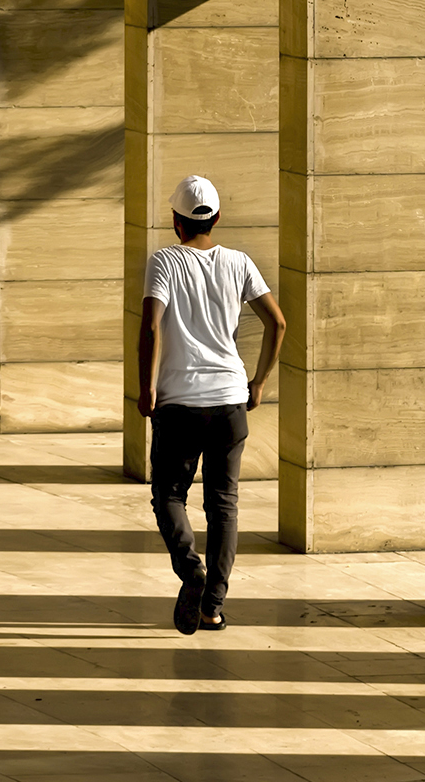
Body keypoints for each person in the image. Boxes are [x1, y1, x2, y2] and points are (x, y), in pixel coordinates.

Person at [137, 173, 285, 635]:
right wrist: (258, 381)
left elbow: (151, 327)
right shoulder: (239, 263)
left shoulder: (164, 262)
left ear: (175, 222)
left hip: (179, 404)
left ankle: (191, 571)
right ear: (216, 219)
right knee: (224, 507)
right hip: (228, 402)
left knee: (169, 495)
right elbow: (277, 323)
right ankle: (212, 608)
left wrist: (147, 388)